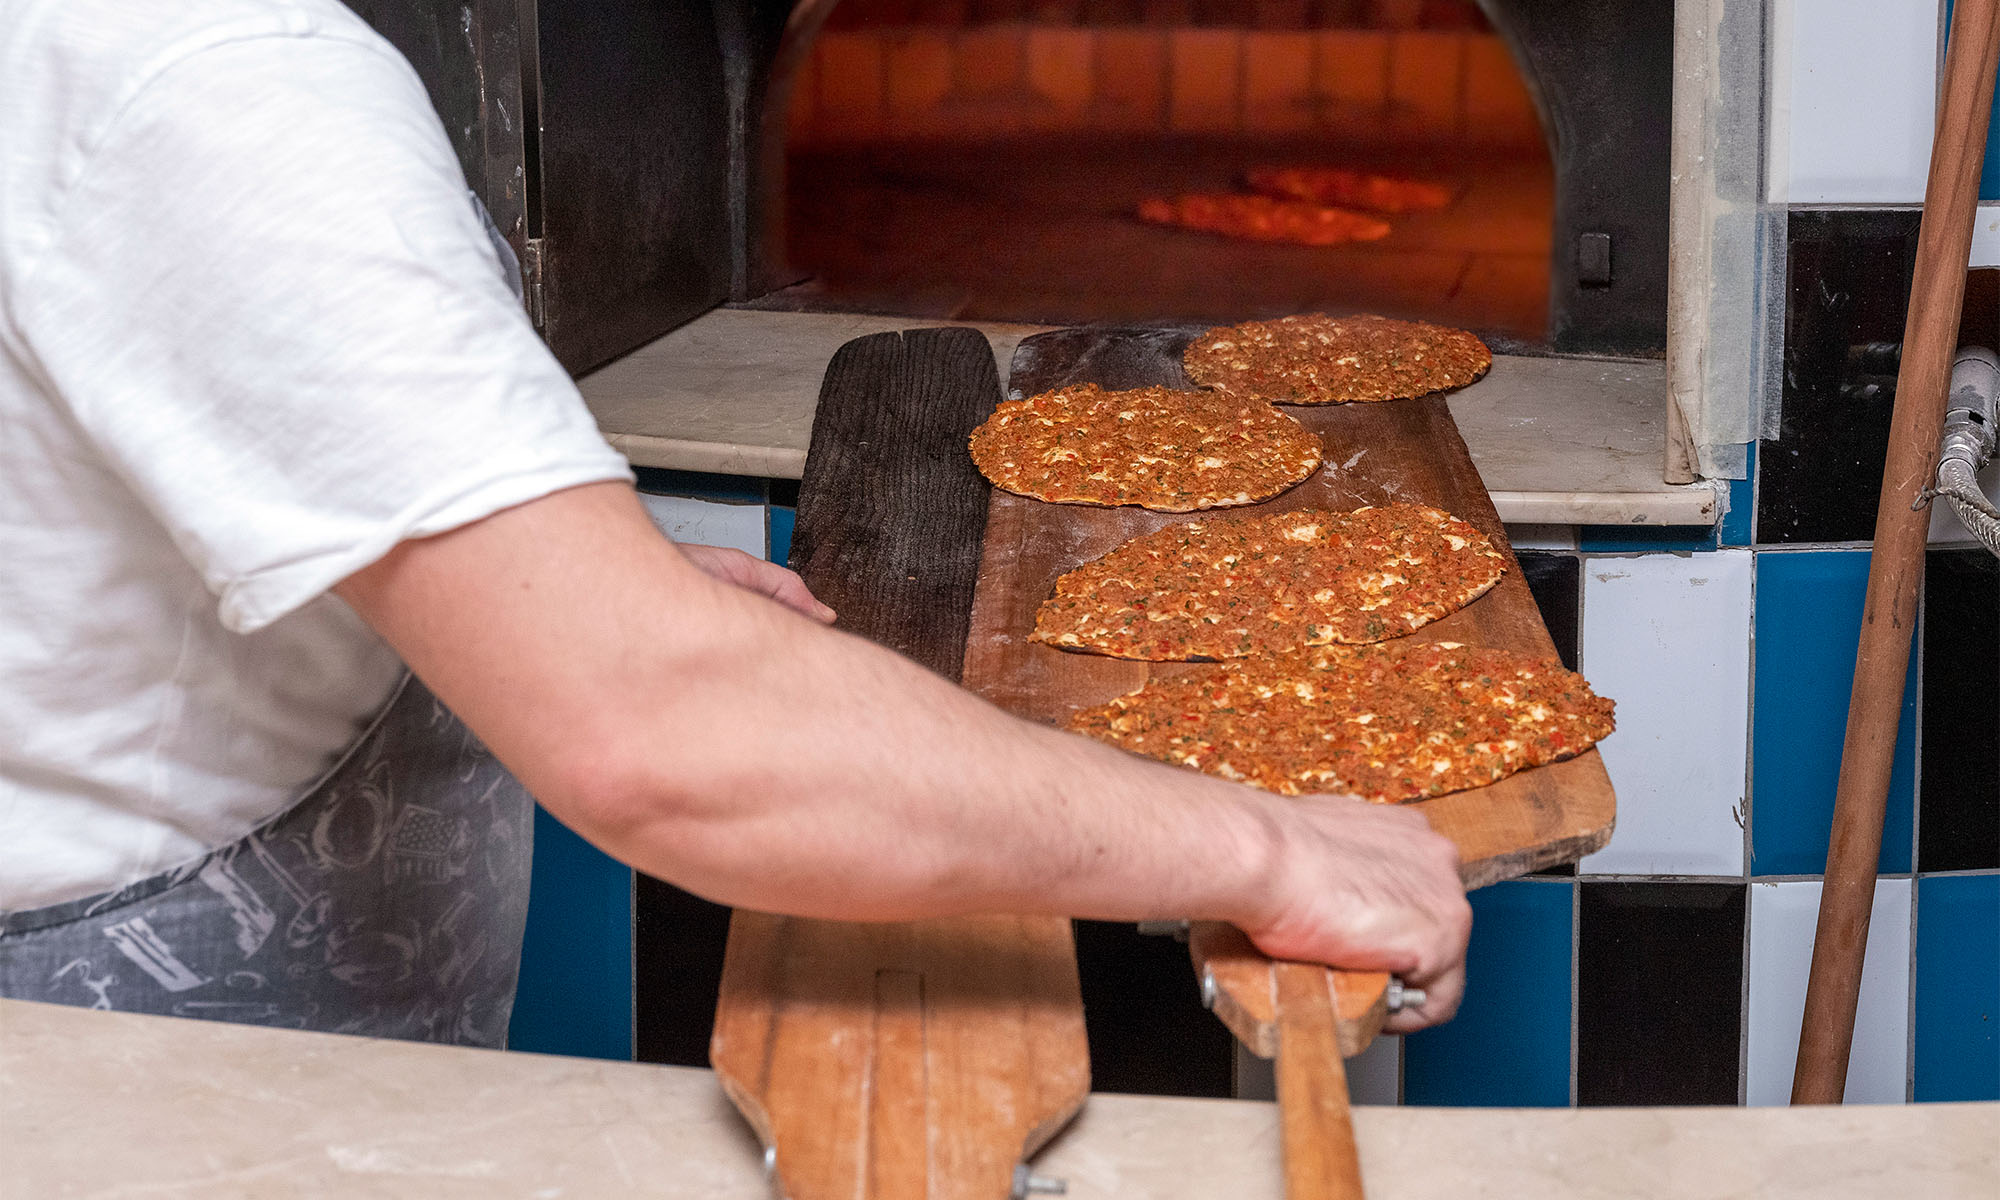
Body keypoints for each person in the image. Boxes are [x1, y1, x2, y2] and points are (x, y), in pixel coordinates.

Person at [0, 0, 1469, 1044]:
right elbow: (662, 735)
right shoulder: (206, 72)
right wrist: (1275, 856)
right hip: (142, 1067)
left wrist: (541, 581)